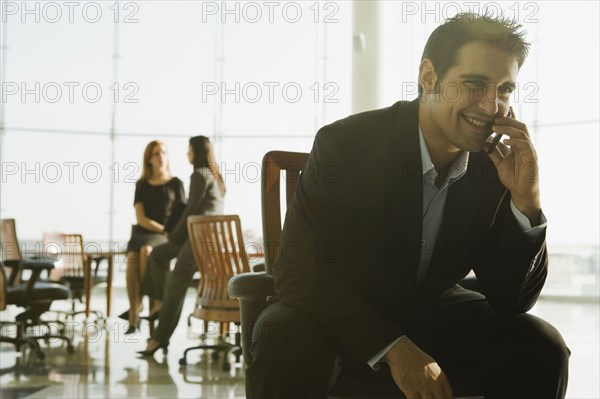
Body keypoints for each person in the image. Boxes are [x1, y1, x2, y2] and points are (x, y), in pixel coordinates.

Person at [247, 13, 570, 399]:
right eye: (474, 84)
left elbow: (510, 299)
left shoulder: (492, 165)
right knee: (283, 333)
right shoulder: (347, 144)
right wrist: (392, 346)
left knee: (540, 345)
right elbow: (298, 274)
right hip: (340, 317)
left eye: (504, 89)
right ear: (429, 77)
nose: (491, 107)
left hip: (432, 314)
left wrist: (526, 199)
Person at [137, 135, 226, 356]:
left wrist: (173, 235)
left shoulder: (198, 175)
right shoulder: (214, 176)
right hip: (205, 240)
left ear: (196, 152)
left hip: (199, 240)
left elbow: (191, 211)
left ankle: (159, 338)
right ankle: (157, 305)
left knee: (175, 285)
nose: (187, 154)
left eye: (189, 150)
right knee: (157, 254)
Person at [121, 141, 185, 334]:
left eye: (163, 152)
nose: (160, 156)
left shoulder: (176, 183)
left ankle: (147, 305)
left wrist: (167, 232)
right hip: (143, 232)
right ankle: (136, 309)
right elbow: (141, 218)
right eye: (156, 153)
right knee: (133, 258)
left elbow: (183, 214)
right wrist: (162, 229)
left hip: (164, 235)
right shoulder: (141, 184)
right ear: (149, 159)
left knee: (146, 252)